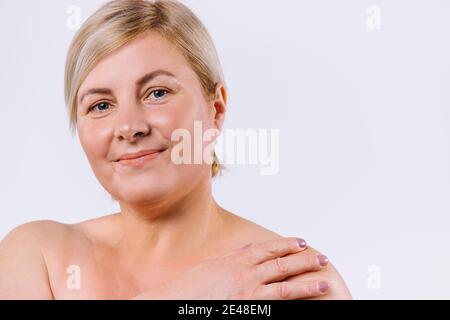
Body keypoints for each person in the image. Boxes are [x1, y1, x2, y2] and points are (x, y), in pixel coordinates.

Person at [0, 0, 351, 299]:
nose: (129, 126)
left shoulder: (288, 279)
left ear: (216, 109)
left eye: (157, 93)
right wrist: (186, 294)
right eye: (101, 105)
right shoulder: (37, 256)